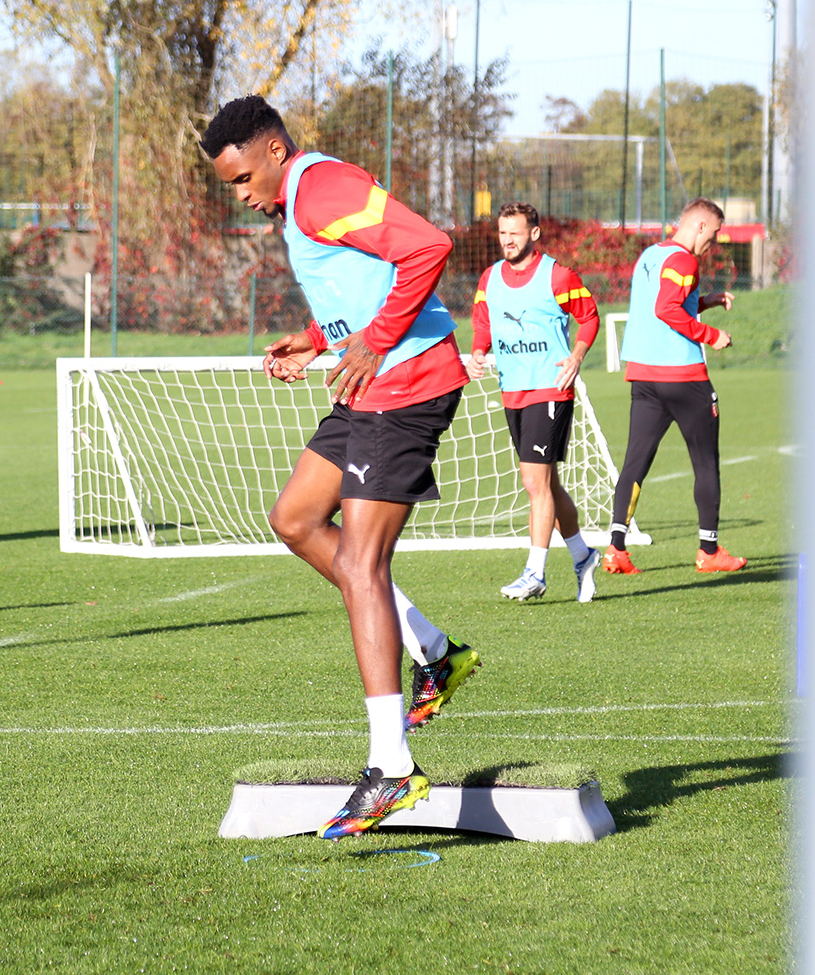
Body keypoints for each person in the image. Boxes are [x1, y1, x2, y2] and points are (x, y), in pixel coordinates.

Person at [202, 95, 478, 839]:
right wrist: (311, 339)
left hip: (409, 384)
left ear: (273, 151)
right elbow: (362, 286)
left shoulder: (320, 187)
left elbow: (427, 245)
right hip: (369, 384)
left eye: (240, 180)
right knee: (294, 518)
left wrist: (378, 340)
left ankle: (392, 768)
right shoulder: (298, 205)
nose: (242, 196)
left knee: (361, 564)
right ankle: (436, 652)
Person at [466, 202, 603, 601]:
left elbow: (590, 316)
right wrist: (477, 351)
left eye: (515, 232)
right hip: (513, 389)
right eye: (502, 233)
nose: (507, 240)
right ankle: (583, 556)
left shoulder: (558, 276)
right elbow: (482, 320)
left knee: (533, 482)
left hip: (550, 388)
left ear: (535, 234)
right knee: (547, 484)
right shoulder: (489, 277)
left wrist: (576, 356)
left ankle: (535, 573)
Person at [604, 198, 746, 574]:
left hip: (645, 377)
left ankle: (616, 549)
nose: (712, 244)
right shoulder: (685, 260)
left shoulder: (651, 255)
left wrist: (708, 301)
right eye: (713, 235)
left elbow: (671, 300)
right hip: (683, 378)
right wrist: (711, 334)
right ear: (700, 226)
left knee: (635, 461)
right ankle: (709, 552)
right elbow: (666, 308)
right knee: (705, 464)